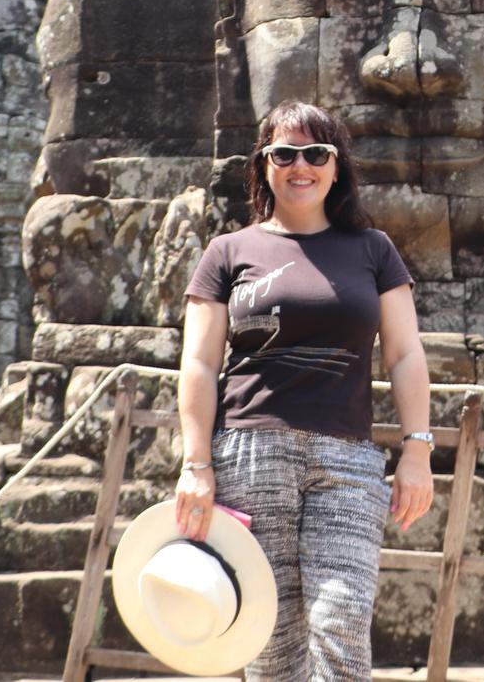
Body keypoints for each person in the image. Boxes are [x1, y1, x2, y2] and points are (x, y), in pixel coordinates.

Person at [176, 100, 437, 681]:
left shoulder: (374, 251)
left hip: (347, 460)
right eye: (285, 153)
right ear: (263, 165)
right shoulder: (227, 252)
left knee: (342, 617)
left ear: (336, 166)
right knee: (267, 635)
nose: (302, 166)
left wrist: (417, 449)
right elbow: (197, 362)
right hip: (249, 455)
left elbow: (404, 353)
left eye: (316, 153)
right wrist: (196, 464)